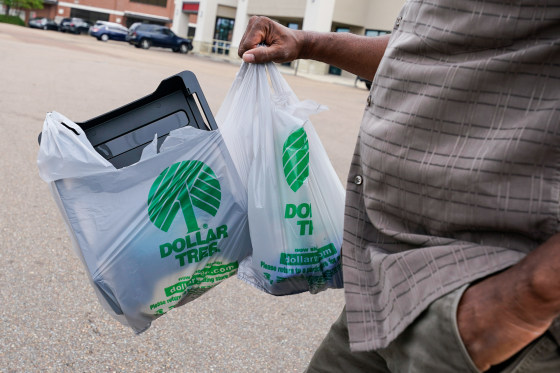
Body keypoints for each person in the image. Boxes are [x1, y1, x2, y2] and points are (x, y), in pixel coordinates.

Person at [238, 1, 560, 372]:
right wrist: (307, 43)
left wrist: (521, 304)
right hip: (388, 284)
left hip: (484, 305)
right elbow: (424, 50)